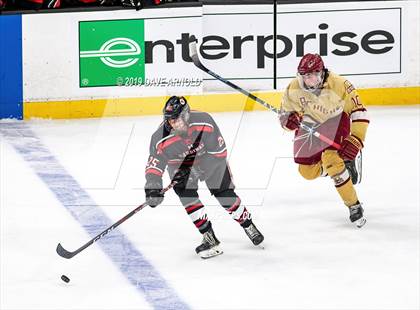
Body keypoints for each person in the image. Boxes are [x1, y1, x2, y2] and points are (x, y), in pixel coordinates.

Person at [144, 96, 264, 258]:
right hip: (180, 166)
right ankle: (209, 236)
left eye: (177, 119)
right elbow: (154, 165)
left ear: (186, 115)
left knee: (225, 195)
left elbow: (219, 153)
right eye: (170, 120)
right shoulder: (160, 138)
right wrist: (152, 187)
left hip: (211, 161)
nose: (174, 124)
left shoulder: (204, 121)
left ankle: (248, 225)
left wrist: (198, 169)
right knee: (186, 195)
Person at [279, 53, 369, 227]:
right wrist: (287, 121)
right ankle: (342, 168)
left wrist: (356, 139)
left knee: (331, 159)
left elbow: (360, 111)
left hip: (336, 120)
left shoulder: (340, 84)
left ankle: (353, 204)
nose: (308, 80)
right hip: (311, 123)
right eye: (304, 76)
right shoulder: (294, 87)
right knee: (306, 171)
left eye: (312, 75)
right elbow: (284, 116)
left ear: (321, 73)